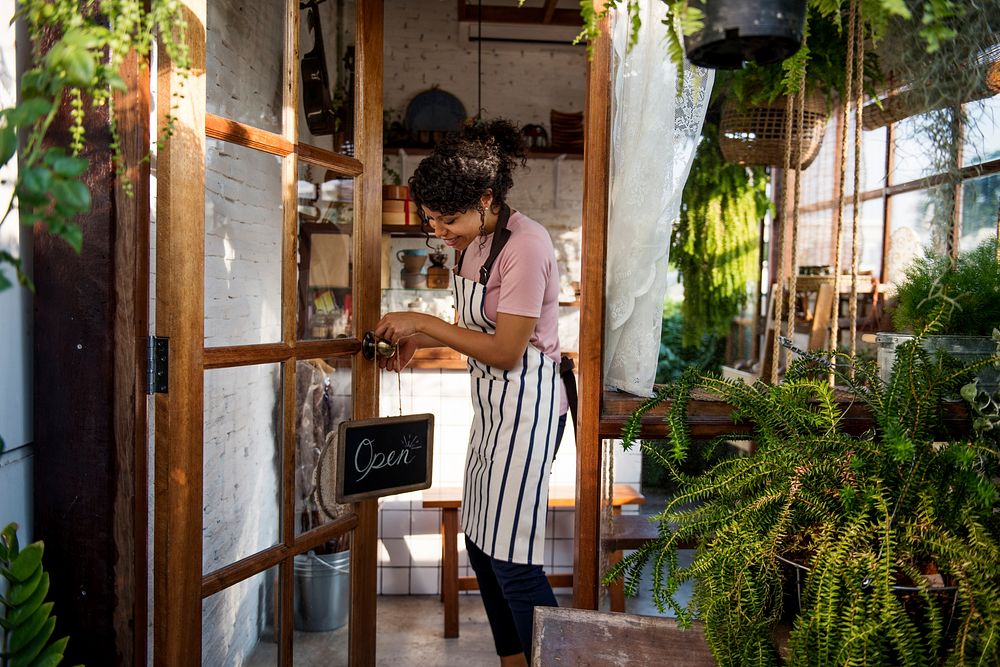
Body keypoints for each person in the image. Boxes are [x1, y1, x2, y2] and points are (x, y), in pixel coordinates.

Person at [374, 119, 567, 666]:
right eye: (431, 219)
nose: (439, 231)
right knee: (481, 549)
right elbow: (477, 331)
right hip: (494, 409)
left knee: (512, 559)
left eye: (447, 219)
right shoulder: (474, 242)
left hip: (529, 407)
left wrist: (424, 322)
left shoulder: (526, 245)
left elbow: (507, 350)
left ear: (486, 199)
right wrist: (417, 333)